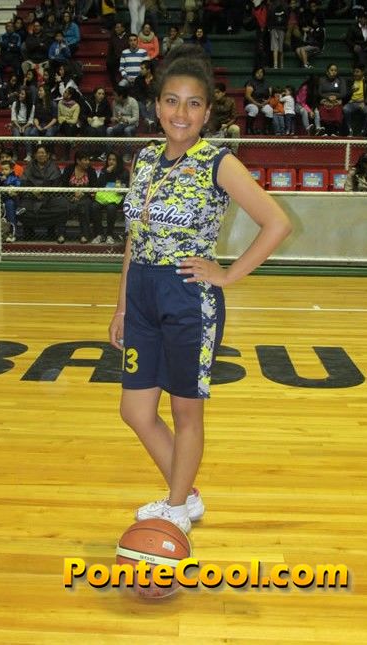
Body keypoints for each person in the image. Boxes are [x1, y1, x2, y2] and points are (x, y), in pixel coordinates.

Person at [108, 45, 291, 534]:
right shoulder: (144, 159)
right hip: (141, 294)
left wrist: (227, 274)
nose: (181, 113)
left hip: (188, 296)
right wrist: (122, 305)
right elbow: (135, 237)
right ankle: (185, 494)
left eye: (193, 104)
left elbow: (277, 223)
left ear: (207, 112)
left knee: (184, 410)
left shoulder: (218, 162)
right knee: (135, 410)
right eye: (172, 101)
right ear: (157, 106)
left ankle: (176, 505)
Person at [18, 144, 68, 242]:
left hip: (49, 197)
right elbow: (24, 182)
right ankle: (29, 233)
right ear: (35, 155)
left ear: (48, 155)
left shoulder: (53, 167)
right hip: (31, 196)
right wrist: (32, 191)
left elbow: (57, 185)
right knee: (23, 207)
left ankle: (52, 232)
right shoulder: (29, 166)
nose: (41, 155)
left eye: (43, 153)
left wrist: (44, 193)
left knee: (61, 205)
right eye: (38, 153)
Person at [60, 149, 99, 243]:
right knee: (62, 205)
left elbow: (94, 187)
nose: (88, 162)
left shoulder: (91, 171)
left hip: (86, 197)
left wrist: (83, 193)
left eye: (88, 159)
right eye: (85, 160)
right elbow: (63, 185)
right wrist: (71, 195)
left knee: (83, 206)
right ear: (78, 160)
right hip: (69, 196)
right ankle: (61, 234)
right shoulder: (69, 169)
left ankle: (84, 235)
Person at [94, 151, 129, 243]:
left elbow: (125, 186)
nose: (111, 162)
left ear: (118, 161)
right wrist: (106, 173)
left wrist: (117, 177)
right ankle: (100, 234)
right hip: (104, 197)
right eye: (109, 159)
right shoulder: (104, 170)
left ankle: (109, 234)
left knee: (111, 208)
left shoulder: (124, 171)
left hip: (118, 197)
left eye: (114, 160)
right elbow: (99, 185)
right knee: (94, 206)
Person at [0, 159, 22, 242]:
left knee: (10, 212)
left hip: (10, 199)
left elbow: (18, 185)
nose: (3, 171)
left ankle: (12, 234)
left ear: (11, 170)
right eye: (2, 169)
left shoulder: (14, 177)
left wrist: (9, 185)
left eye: (6, 169)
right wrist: (1, 180)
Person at [343, 64, 367, 136]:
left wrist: (365, 102)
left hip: (363, 102)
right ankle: (349, 130)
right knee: (345, 109)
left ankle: (364, 131)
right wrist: (352, 91)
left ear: (362, 72)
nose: (355, 74)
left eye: (357, 72)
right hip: (352, 103)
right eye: (354, 72)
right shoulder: (350, 80)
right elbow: (345, 94)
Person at [318, 62, 346, 136]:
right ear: (327, 72)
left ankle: (335, 131)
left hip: (336, 100)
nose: (333, 72)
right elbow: (320, 92)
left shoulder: (340, 80)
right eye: (331, 70)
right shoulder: (322, 80)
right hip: (325, 100)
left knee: (336, 108)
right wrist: (327, 98)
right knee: (323, 108)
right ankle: (325, 131)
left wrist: (335, 97)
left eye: (335, 70)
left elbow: (343, 93)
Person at [243, 66, 273, 134]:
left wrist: (266, 102)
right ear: (254, 73)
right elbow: (248, 96)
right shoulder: (250, 83)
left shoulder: (267, 83)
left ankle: (267, 130)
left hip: (263, 103)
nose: (259, 74)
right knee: (254, 109)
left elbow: (270, 96)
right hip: (251, 103)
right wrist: (257, 104)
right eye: (258, 72)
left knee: (269, 110)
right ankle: (249, 129)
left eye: (261, 72)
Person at [0, 21, 22, 87]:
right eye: (8, 26)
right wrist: (11, 46)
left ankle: (17, 84)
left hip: (14, 57)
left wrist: (7, 46)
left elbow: (18, 48)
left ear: (14, 28)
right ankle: (0, 83)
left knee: (18, 68)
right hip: (4, 57)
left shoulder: (17, 36)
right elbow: (1, 45)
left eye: (11, 26)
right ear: (5, 28)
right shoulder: (2, 36)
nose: (10, 28)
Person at [106, 22, 129, 90]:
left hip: (126, 58)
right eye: (116, 28)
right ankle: (115, 85)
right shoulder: (113, 37)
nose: (116, 29)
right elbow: (110, 50)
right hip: (116, 58)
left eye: (118, 27)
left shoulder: (128, 36)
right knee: (109, 63)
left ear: (123, 28)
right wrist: (109, 58)